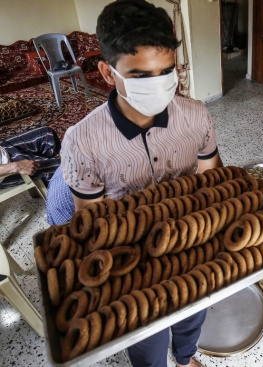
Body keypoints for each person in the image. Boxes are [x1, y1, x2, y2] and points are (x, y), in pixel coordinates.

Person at [46, 1, 223, 366]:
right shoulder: (83, 141)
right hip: (129, 253)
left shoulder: (196, 116)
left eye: (167, 71)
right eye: (141, 76)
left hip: (188, 233)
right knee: (146, 330)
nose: (157, 85)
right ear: (109, 74)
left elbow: (212, 179)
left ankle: (186, 355)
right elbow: (95, 227)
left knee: (195, 303)